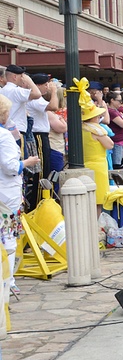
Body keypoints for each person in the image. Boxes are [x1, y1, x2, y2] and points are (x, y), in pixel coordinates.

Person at [0, 93, 41, 314]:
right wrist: (26, 162)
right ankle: (7, 280)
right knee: (7, 239)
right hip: (6, 194)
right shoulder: (3, 136)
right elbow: (9, 166)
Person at [75, 79, 113, 210]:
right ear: (93, 118)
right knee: (98, 200)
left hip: (85, 164)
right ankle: (95, 227)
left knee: (88, 200)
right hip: (98, 166)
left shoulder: (81, 129)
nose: (99, 118)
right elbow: (110, 145)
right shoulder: (96, 130)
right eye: (97, 116)